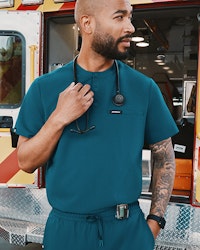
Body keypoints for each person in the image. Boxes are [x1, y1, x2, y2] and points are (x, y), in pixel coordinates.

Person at [15, 0, 178, 249]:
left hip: (127, 232)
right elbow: (26, 162)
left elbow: (164, 157)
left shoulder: (143, 88)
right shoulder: (44, 88)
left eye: (130, 17)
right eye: (119, 17)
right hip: (66, 232)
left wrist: (154, 222)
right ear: (87, 24)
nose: (131, 27)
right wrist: (59, 117)